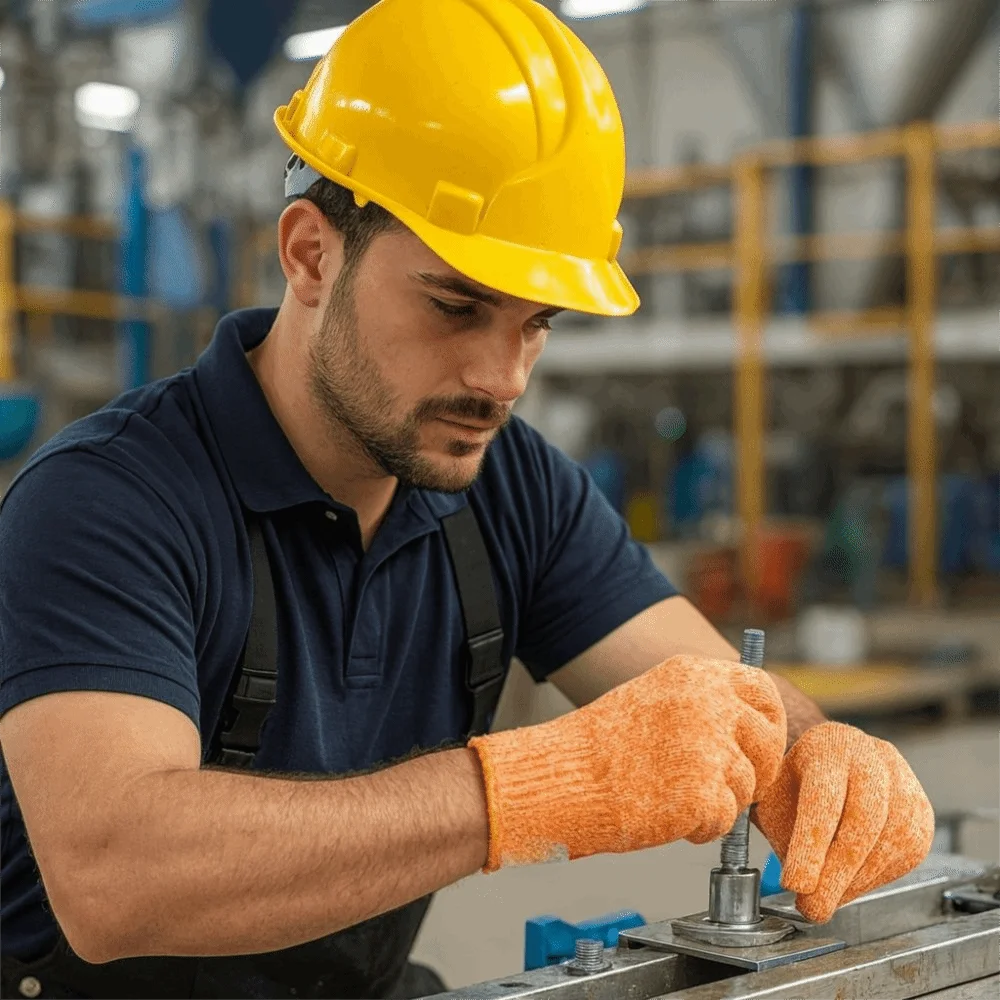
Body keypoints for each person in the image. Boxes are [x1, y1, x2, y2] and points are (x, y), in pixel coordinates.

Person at [0, 1, 934, 998]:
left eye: (536, 323)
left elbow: (719, 706)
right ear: (311, 254)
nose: (502, 378)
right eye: (455, 306)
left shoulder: (512, 486)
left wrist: (820, 756)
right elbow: (117, 878)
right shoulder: (105, 501)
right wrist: (529, 788)